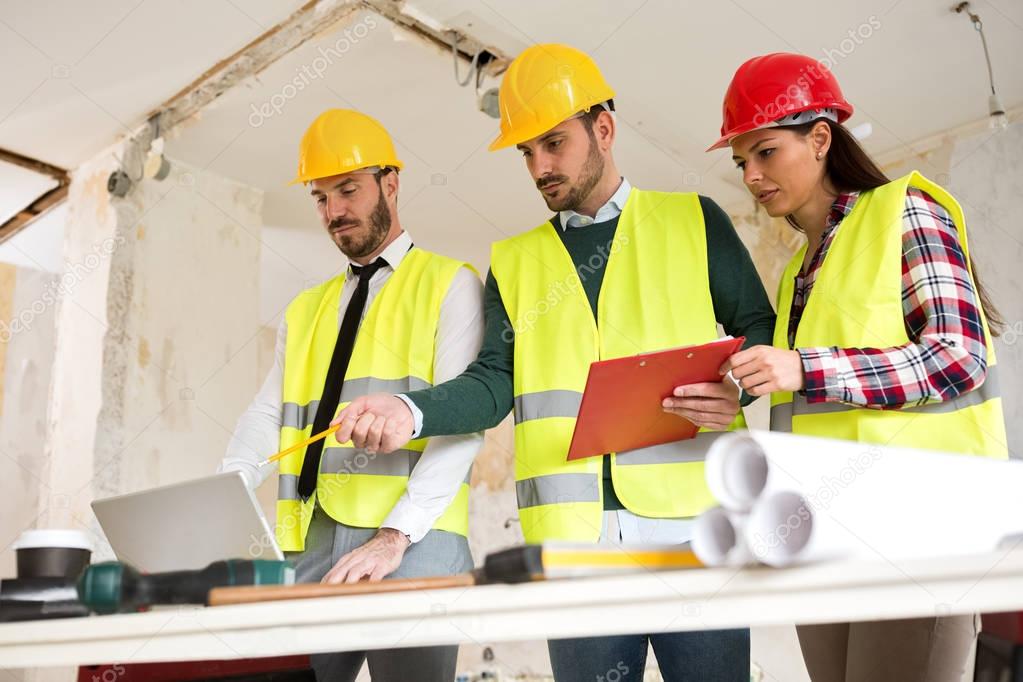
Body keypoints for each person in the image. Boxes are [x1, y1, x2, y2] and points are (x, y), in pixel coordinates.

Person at [332, 44, 776, 682]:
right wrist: (410, 409)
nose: (539, 166)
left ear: (604, 129)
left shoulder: (692, 220)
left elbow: (758, 329)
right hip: (573, 545)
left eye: (553, 144)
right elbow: (492, 384)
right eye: (526, 152)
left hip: (694, 531)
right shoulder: (513, 261)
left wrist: (738, 386)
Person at [712, 52, 1008, 682]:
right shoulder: (798, 270)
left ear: (821, 138)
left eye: (765, 151)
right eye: (742, 162)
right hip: (826, 540)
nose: (751, 175)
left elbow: (959, 356)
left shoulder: (906, 213)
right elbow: (810, 417)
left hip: (920, 534)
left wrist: (803, 367)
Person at [219, 108, 485, 682]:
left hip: (416, 537)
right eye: (320, 198)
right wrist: (223, 491)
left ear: (390, 183)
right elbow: (271, 410)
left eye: (348, 189)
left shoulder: (449, 283)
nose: (334, 211)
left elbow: (462, 423)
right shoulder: (306, 307)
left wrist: (394, 538)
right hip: (315, 537)